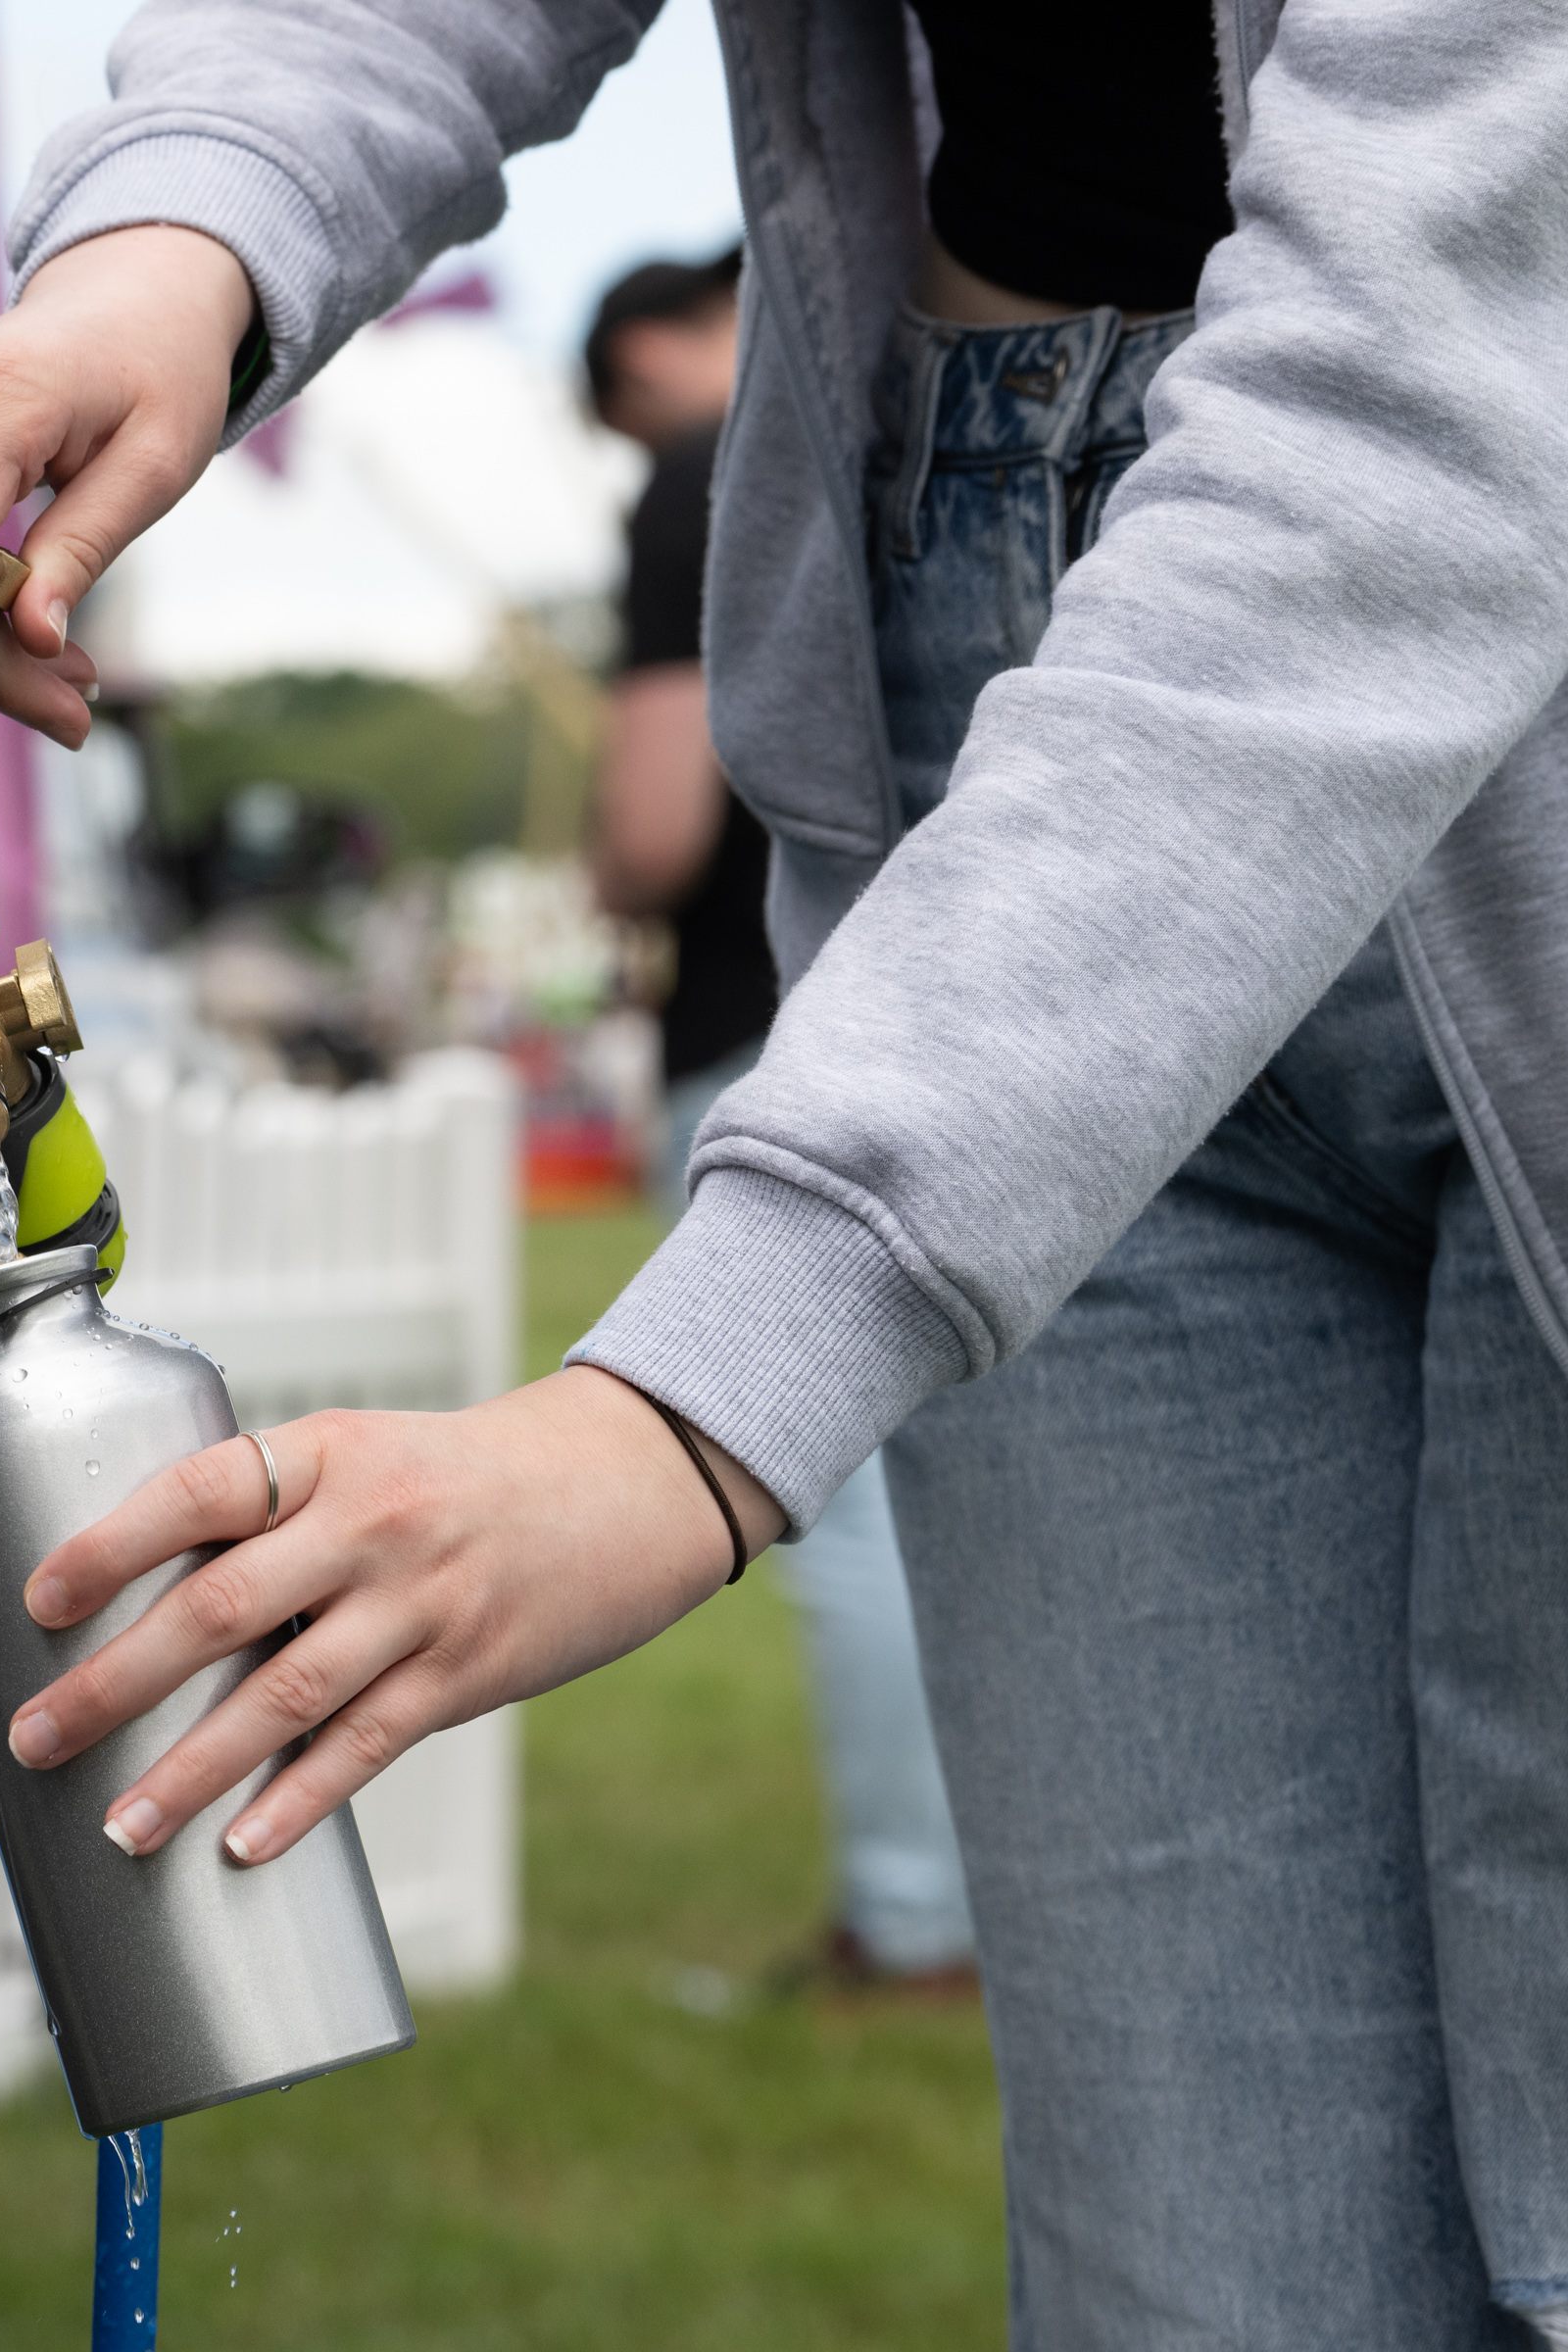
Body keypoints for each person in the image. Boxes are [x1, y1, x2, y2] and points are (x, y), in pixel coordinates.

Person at [0, 3, 1568, 2340]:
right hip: (968, 700)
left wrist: (696, 1405)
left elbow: (1413, 413)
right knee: (1204, 2290)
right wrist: (176, 228)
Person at [588, 247, 973, 1991]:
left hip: (772, 1027)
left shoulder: (694, 463)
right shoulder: (911, 429)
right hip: (977, 1010)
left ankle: (913, 1920)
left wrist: (599, 862)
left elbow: (654, 827)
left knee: (840, 1502)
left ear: (655, 344)